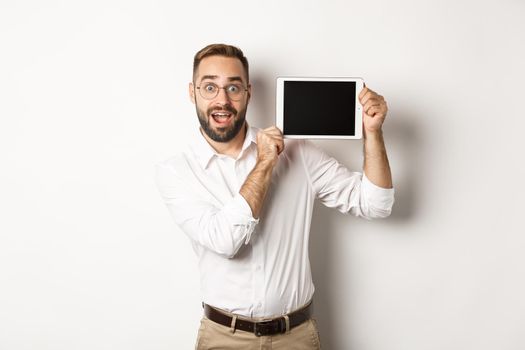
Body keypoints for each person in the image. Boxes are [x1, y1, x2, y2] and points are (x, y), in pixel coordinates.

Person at [156, 43, 395, 350]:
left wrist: (373, 133)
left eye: (233, 87)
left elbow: (376, 205)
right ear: (193, 92)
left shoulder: (300, 153)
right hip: (223, 339)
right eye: (210, 87)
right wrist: (266, 162)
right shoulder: (176, 172)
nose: (222, 100)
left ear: (248, 92)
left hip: (296, 337)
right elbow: (225, 241)